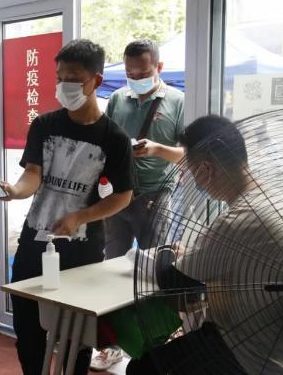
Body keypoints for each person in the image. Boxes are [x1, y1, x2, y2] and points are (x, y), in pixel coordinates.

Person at [126, 115, 283, 374]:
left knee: (141, 369)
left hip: (250, 355)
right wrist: (196, 256)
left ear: (206, 170)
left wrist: (168, 253)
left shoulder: (237, 219)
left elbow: (174, 282)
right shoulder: (281, 202)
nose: (194, 181)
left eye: (191, 172)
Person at [0, 39, 134, 375]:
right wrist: (15, 191)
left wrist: (81, 216)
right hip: (35, 241)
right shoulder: (44, 125)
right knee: (28, 331)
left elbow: (122, 196)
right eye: (60, 78)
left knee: (78, 337)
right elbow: (33, 174)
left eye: (73, 79)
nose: (64, 86)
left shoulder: (114, 138)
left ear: (96, 81)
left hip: (82, 250)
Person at [93, 40, 185, 371]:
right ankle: (111, 343)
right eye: (130, 73)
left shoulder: (178, 101)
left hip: (156, 195)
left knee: (151, 272)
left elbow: (187, 154)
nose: (135, 78)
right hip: (119, 195)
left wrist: (157, 148)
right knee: (112, 265)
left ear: (159, 68)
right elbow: (105, 142)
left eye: (142, 73)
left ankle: (151, 345)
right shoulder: (118, 99)